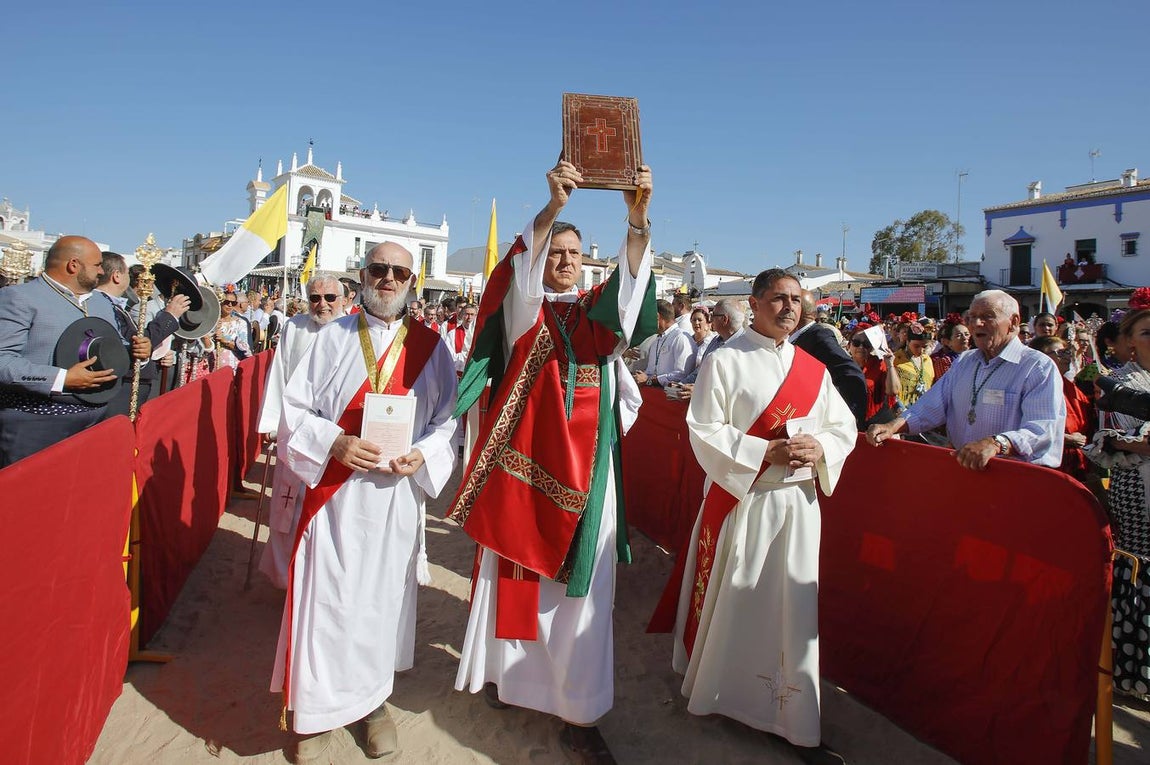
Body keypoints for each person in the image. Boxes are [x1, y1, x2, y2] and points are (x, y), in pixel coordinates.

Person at [451, 160, 655, 755]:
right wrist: (553, 208)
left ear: (587, 262)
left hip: (589, 484)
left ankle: (579, 714)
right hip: (522, 478)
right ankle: (511, 679)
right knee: (518, 585)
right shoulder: (527, 315)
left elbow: (631, 297)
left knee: (581, 601)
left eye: (574, 253)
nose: (564, 260)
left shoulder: (600, 320)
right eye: (556, 252)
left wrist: (637, 222)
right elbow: (519, 276)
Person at [649, 268, 856, 765]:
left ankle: (789, 712)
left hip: (798, 507)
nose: (789, 308)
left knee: (790, 607)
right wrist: (765, 453)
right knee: (741, 602)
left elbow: (843, 427)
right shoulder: (725, 361)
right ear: (756, 303)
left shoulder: (813, 368)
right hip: (745, 503)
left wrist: (820, 447)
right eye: (779, 299)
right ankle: (725, 692)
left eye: (796, 300)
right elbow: (704, 429)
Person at [271, 241, 459, 763]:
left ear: (412, 282)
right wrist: (334, 442)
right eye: (379, 269)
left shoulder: (432, 348)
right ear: (363, 275)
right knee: (328, 601)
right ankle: (316, 713)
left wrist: (423, 452)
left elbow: (447, 422)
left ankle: (373, 705)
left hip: (395, 498)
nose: (388, 278)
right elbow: (294, 411)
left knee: (380, 603)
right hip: (336, 496)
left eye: (400, 271)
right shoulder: (331, 338)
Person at [866, 290, 1065, 470]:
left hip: (1012, 478)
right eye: (971, 317)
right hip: (961, 471)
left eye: (987, 316)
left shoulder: (1037, 367)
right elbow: (931, 405)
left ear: (1013, 322)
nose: (976, 324)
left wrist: (997, 444)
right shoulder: (964, 361)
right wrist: (893, 426)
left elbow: (1041, 430)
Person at [0, 236, 150, 466]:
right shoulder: (19, 298)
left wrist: (137, 351)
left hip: (96, 421)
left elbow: (112, 348)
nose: (102, 271)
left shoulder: (101, 302)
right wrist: (62, 378)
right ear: (73, 265)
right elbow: (3, 360)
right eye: (97, 265)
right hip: (35, 423)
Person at [256, 275, 346, 589]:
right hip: (296, 430)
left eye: (330, 298)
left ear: (343, 300)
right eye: (315, 298)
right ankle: (286, 579)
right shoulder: (295, 328)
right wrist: (272, 424)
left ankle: (318, 581)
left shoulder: (353, 331)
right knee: (288, 507)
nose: (322, 304)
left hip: (335, 437)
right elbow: (279, 372)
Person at [1084, 307, 1150, 699]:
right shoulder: (1120, 382)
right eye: (1147, 332)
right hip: (1138, 488)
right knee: (1140, 570)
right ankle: (1135, 670)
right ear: (1128, 343)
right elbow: (1131, 438)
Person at [92, 251, 189, 417]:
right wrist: (169, 316)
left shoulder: (112, 305)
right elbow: (136, 343)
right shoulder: (102, 305)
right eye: (126, 273)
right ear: (117, 276)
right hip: (123, 385)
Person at [791, 290, 868, 428]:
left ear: (798, 311)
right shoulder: (798, 338)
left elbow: (851, 375)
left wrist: (847, 420)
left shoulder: (818, 337)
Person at [1029, 336, 1093, 481]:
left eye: (1067, 352)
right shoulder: (1032, 386)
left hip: (1077, 463)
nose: (1067, 357)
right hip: (1048, 463)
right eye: (1060, 353)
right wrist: (1065, 438)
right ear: (1041, 357)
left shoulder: (1072, 388)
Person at [847, 324, 900, 427]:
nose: (861, 347)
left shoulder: (880, 364)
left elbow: (893, 391)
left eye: (866, 344)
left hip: (877, 422)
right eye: (856, 343)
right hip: (850, 421)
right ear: (849, 345)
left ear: (871, 347)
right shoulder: (842, 365)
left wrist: (890, 364)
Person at [634, 299, 693, 387]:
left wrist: (650, 380)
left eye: (648, 319)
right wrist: (640, 376)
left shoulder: (681, 338)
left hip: (668, 393)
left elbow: (681, 374)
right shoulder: (657, 340)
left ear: (657, 317)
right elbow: (650, 371)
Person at [892, 322, 934, 410]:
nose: (921, 350)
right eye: (916, 346)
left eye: (924, 347)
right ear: (907, 341)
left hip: (925, 410)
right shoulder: (895, 360)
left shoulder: (927, 360)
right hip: (903, 410)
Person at [214, 291, 251, 369]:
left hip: (232, 366)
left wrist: (224, 340)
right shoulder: (212, 322)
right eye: (227, 302)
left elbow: (244, 347)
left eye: (233, 303)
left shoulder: (240, 323)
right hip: (212, 365)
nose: (230, 305)